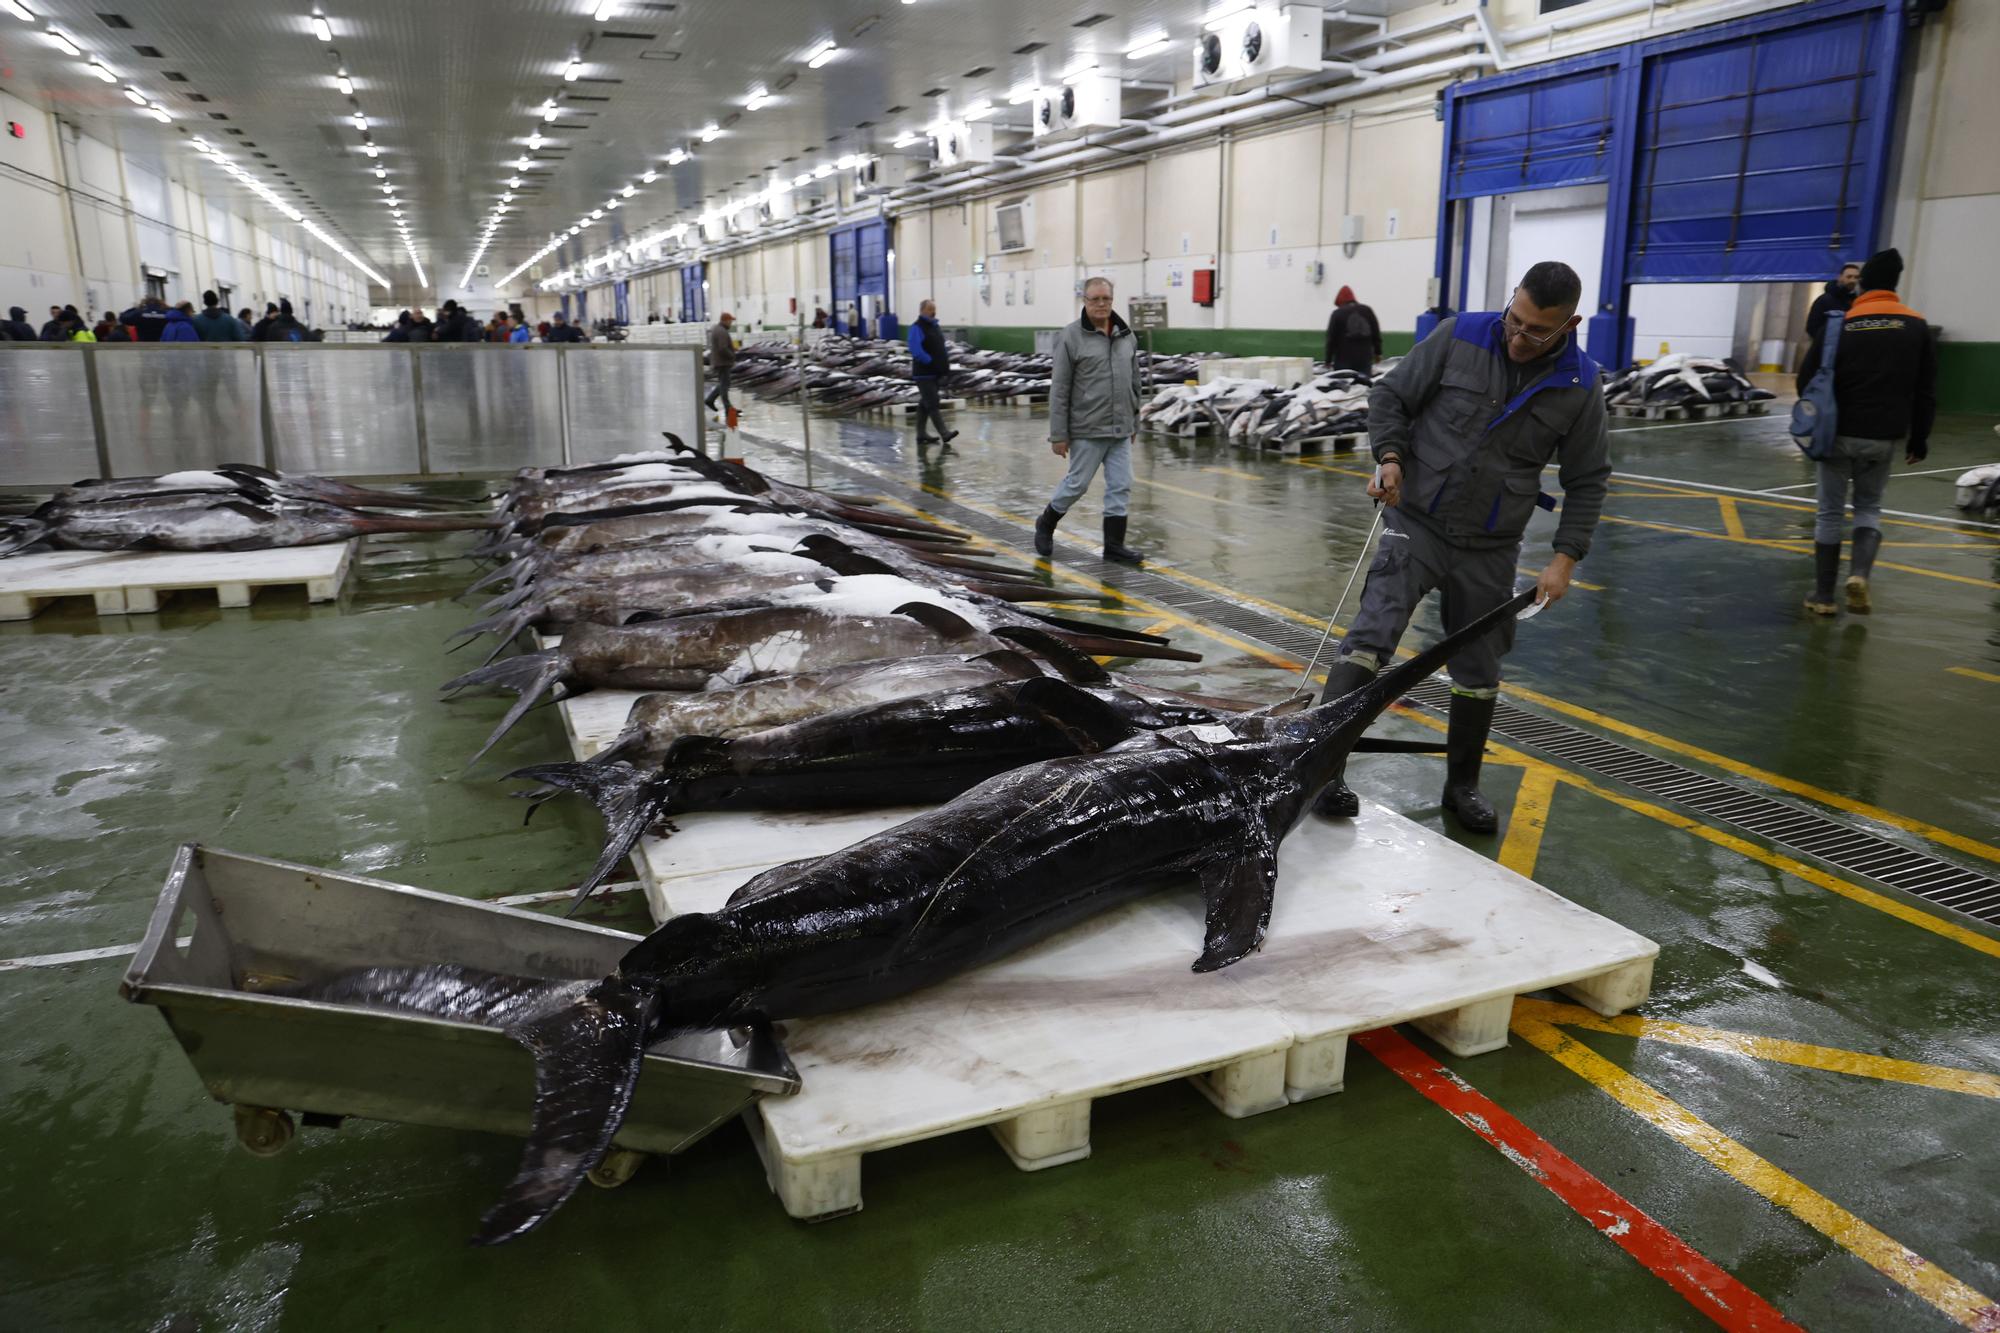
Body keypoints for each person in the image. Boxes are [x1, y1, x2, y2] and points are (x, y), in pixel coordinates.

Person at [1313, 260, 1611, 833]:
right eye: (1514, 320)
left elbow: (1589, 477)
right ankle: (1324, 769)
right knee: (1371, 638)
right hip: (1416, 520)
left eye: (1536, 331)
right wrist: (1391, 457)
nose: (1518, 338)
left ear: (1570, 324)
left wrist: (1564, 558)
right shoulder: (1459, 335)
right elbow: (1391, 399)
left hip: (1491, 544)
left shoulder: (1579, 383)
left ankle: (1462, 786)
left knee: (1479, 666)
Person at [1795, 247, 1934, 617]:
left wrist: (1814, 418)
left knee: (1828, 512)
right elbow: (1926, 390)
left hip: (1837, 435)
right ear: (1896, 284)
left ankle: (1823, 596)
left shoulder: (1838, 325)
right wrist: (1919, 438)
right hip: (1883, 437)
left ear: (1864, 284)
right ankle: (1858, 575)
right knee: (1869, 508)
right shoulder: (1917, 325)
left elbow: (1806, 379)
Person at [1033, 276, 1145, 566]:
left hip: (1120, 428)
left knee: (1121, 485)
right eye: (1094, 299)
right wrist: (1058, 434)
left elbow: (1136, 382)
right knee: (1077, 485)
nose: (1100, 304)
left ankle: (1114, 546)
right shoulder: (1071, 336)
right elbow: (1059, 388)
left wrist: (1134, 420)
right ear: (1084, 301)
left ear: (1112, 300)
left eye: (1105, 299)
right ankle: (1046, 523)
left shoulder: (1126, 335)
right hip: (1086, 427)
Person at [907, 299, 959, 451]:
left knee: (925, 403)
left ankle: (921, 434)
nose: (933, 311)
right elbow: (916, 350)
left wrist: (942, 365)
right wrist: (930, 361)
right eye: (930, 309)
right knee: (932, 402)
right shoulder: (917, 327)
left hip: (935, 372)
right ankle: (944, 433)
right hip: (924, 373)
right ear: (922, 310)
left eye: (934, 309)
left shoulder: (934, 326)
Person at [1324, 285, 1382, 374]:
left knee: (1343, 386)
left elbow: (1331, 339)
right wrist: (1378, 353)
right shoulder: (1367, 310)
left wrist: (1328, 361)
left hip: (1343, 359)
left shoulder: (1337, 313)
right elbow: (1376, 334)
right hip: (1364, 359)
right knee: (1364, 385)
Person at [1806, 261, 1861, 343]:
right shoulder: (1824, 300)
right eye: (1849, 277)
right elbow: (1812, 327)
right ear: (1840, 277)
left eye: (1856, 277)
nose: (1853, 280)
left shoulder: (1857, 301)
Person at [704, 311, 737, 415]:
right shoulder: (722, 331)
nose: (731, 323)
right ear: (725, 321)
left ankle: (710, 400)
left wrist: (732, 349)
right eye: (730, 321)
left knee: (724, 384)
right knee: (724, 386)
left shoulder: (718, 329)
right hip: (723, 362)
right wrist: (732, 355)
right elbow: (723, 348)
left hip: (720, 361)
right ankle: (728, 409)